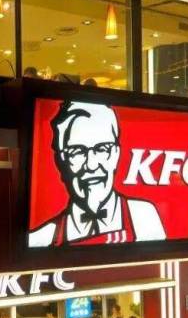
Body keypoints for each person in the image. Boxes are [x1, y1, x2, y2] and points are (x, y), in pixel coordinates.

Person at [28, 101, 166, 247]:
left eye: (102, 149)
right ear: (61, 161)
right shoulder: (41, 239)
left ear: (116, 154)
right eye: (77, 151)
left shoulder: (143, 217)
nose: (91, 165)